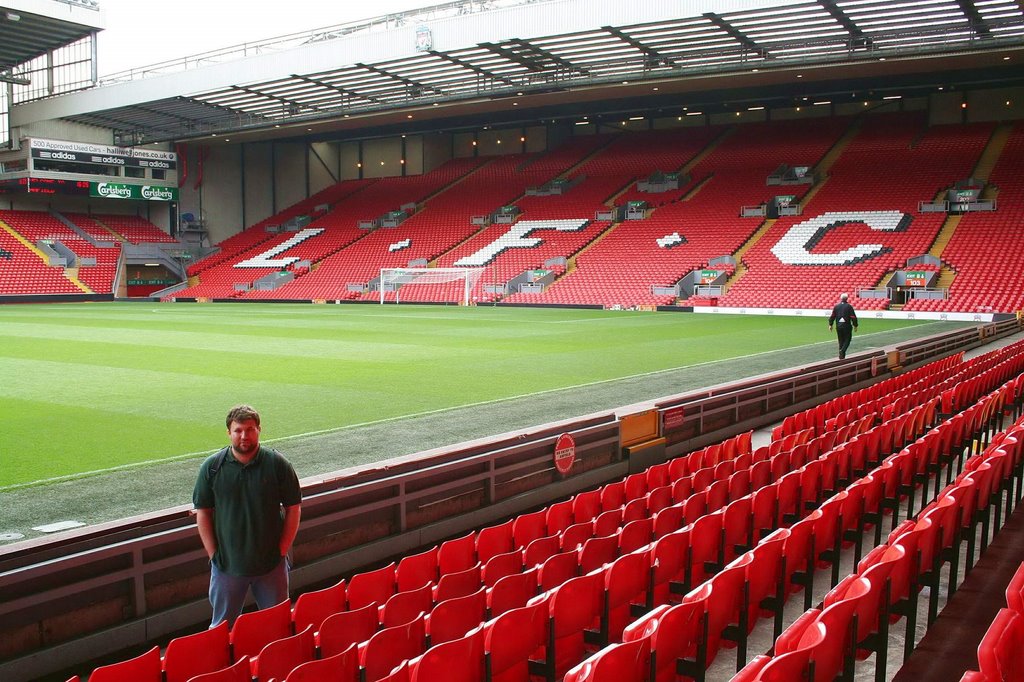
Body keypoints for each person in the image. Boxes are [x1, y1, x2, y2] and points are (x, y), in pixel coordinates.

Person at [193, 405, 302, 627]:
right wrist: (214, 555)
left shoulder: (277, 464)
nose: (244, 436)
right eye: (238, 430)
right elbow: (202, 512)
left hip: (271, 566)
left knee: (278, 625)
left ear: (259, 430)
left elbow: (294, 507)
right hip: (227, 567)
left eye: (250, 429)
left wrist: (282, 550)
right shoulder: (213, 467)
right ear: (229, 433)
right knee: (222, 629)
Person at [828, 292, 859, 360]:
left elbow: (832, 316)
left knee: (841, 340)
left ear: (840, 298)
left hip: (838, 326)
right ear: (847, 299)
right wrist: (855, 325)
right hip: (847, 326)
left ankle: (841, 356)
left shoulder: (836, 306)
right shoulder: (849, 306)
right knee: (848, 339)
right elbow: (853, 317)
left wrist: (830, 324)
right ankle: (842, 351)